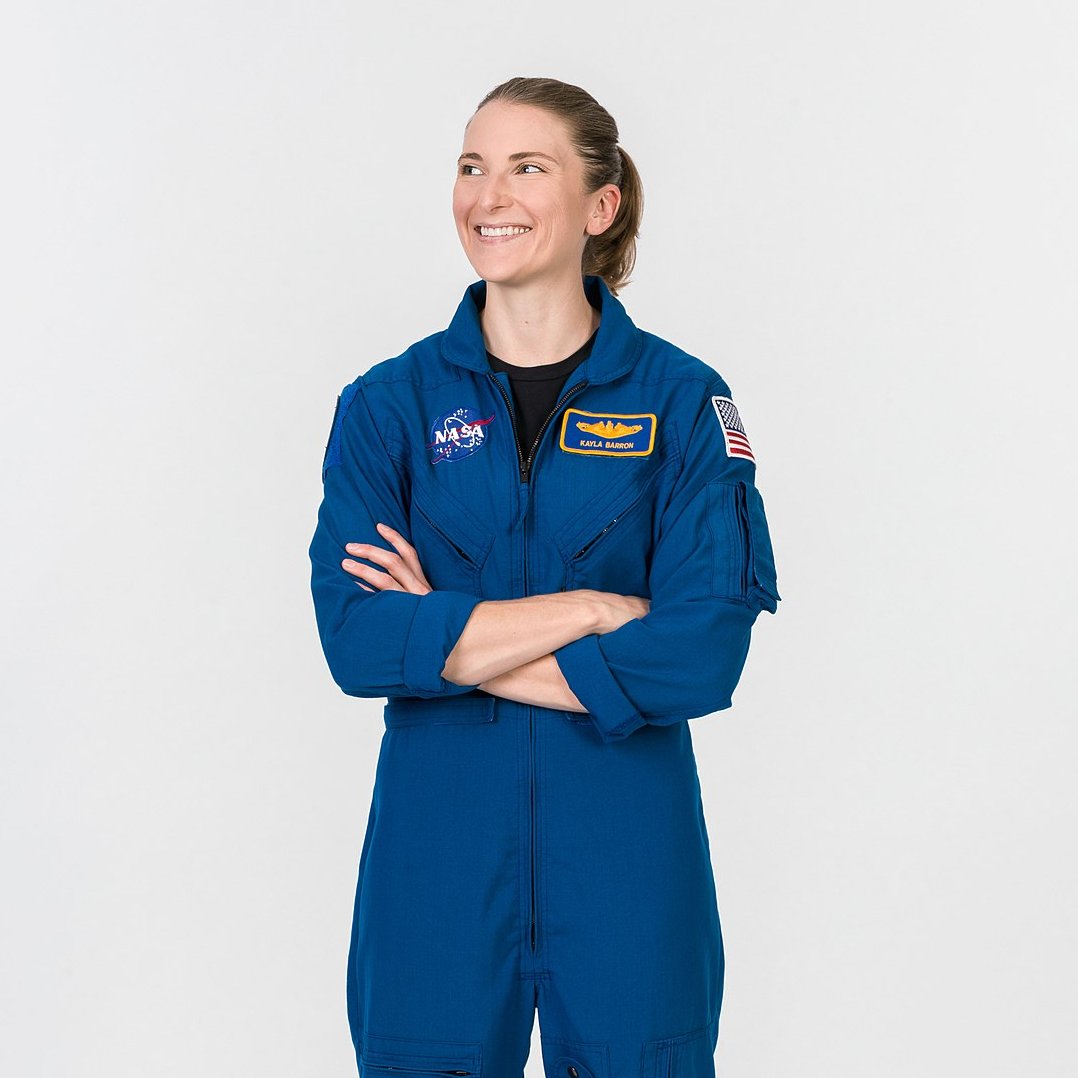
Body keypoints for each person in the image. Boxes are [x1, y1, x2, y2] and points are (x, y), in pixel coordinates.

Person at [308, 75, 780, 1078]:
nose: (490, 195)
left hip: (628, 863)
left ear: (599, 205)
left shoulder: (683, 403)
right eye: (472, 166)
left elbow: (699, 654)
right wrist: (591, 609)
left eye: (528, 167)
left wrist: (443, 635)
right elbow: (356, 640)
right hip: (435, 865)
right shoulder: (387, 407)